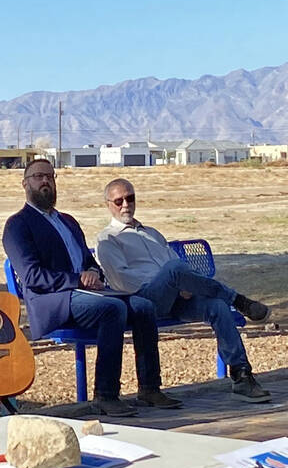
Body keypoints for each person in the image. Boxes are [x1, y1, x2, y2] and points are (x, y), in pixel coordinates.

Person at [2, 158, 179, 416]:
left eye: (49, 176)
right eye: (38, 177)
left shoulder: (68, 221)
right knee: (113, 308)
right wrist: (77, 280)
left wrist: (94, 272)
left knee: (142, 305)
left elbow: (87, 260)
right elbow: (32, 276)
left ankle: (150, 389)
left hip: (85, 294)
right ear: (25, 184)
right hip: (54, 300)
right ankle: (105, 395)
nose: (45, 181)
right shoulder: (18, 225)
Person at [96, 179, 271, 402]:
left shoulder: (151, 233)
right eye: (119, 201)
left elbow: (178, 265)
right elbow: (121, 279)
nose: (125, 205)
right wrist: (171, 280)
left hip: (176, 297)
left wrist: (180, 283)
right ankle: (237, 300)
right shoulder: (107, 239)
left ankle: (242, 375)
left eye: (130, 198)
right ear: (108, 204)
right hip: (144, 301)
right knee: (174, 270)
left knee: (216, 306)